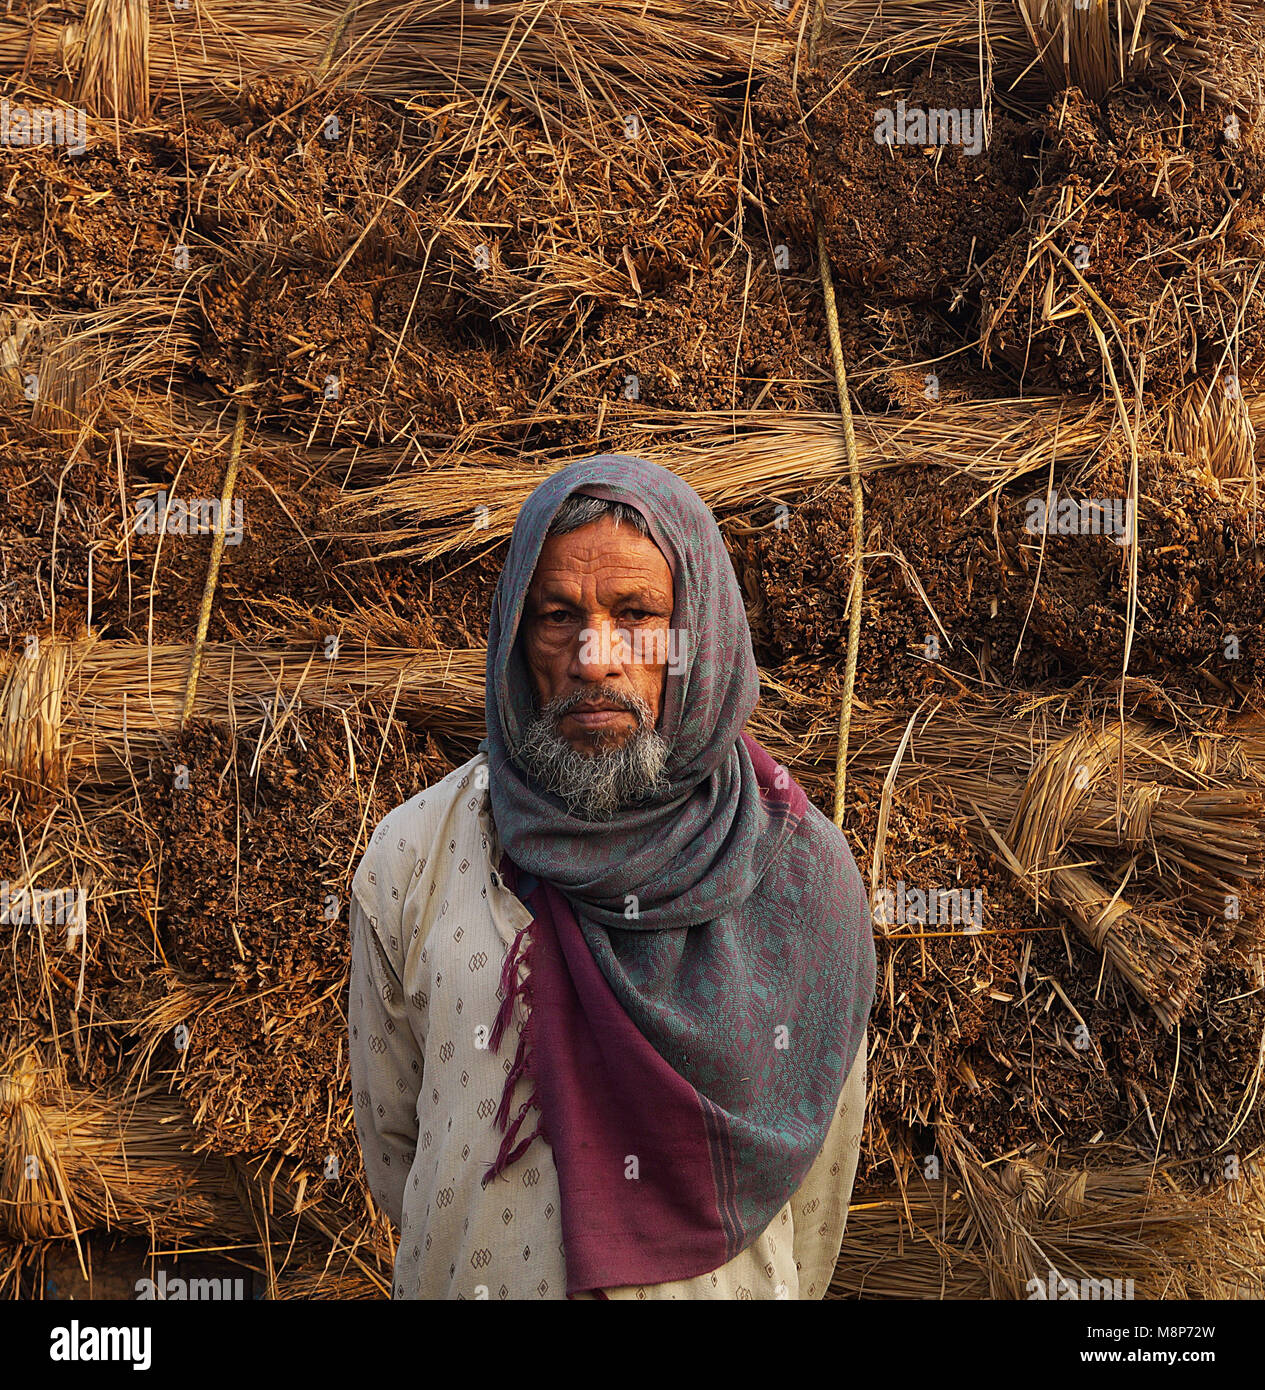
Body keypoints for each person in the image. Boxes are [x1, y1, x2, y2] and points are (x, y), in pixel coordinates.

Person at [348, 454, 876, 1300]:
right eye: (558, 616)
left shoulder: (800, 877)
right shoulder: (418, 855)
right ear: (516, 640)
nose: (595, 658)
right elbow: (397, 1154)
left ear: (698, 631)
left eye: (636, 615)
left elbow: (814, 1192)